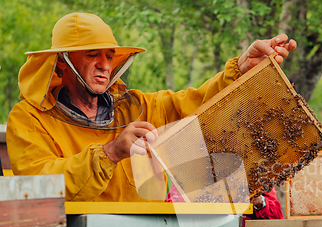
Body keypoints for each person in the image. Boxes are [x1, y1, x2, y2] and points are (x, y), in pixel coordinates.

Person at [6, 12, 296, 202]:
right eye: (92, 54)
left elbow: (193, 105)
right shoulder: (30, 119)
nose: (105, 65)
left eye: (110, 56)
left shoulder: (136, 107)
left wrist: (240, 69)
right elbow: (40, 185)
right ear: (62, 63)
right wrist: (110, 153)